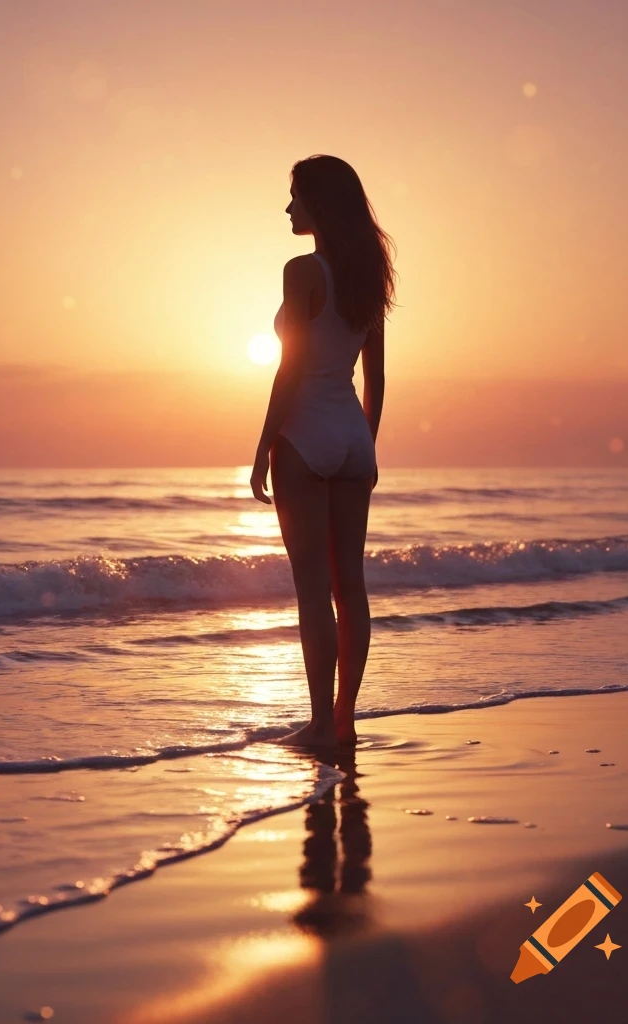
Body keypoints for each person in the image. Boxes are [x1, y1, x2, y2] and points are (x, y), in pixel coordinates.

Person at [250, 154, 397, 750]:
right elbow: (378, 380)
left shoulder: (301, 269)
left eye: (296, 197)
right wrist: (366, 447)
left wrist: (263, 444)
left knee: (313, 587)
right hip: (352, 436)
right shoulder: (369, 273)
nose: (289, 208)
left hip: (305, 433)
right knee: (351, 588)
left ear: (320, 203)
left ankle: (318, 725)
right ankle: (345, 720)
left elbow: (290, 368)